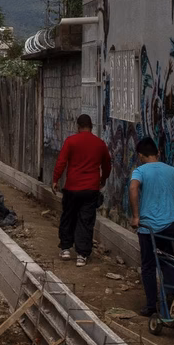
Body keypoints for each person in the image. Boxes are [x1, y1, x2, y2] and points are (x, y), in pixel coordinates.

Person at [127, 136, 174, 322]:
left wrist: (135, 216)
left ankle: (151, 305)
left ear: (140, 155)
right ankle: (170, 302)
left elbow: (133, 189)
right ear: (157, 153)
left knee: (148, 266)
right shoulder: (173, 172)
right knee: (168, 263)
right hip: (171, 226)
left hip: (148, 227)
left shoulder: (139, 171)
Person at [51, 113, 112, 266]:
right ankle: (82, 255)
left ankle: (65, 248)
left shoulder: (71, 141)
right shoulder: (100, 144)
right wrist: (103, 178)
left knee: (68, 217)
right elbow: (107, 165)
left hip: (71, 187)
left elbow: (61, 162)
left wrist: (55, 180)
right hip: (91, 188)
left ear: (78, 126)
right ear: (91, 126)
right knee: (86, 220)